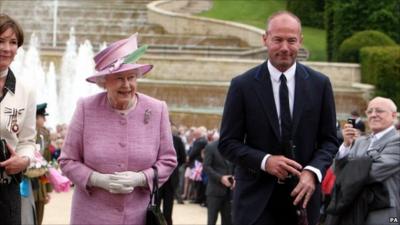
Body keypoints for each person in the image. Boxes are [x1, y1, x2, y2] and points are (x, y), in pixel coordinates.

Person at [218, 11, 338, 225]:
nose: (285, 48)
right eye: (278, 40)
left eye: (291, 40)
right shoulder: (242, 85)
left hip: (303, 200)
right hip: (255, 202)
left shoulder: (320, 85)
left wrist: (312, 172)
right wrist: (265, 161)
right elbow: (227, 143)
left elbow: (329, 140)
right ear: (265, 39)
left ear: (300, 41)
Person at [58, 33, 177, 225]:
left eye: (131, 77)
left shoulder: (157, 109)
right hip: (90, 216)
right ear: (104, 81)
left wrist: (140, 178)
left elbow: (169, 160)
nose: (127, 85)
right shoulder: (85, 108)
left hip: (138, 217)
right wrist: (97, 179)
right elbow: (67, 160)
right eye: (119, 78)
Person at [326, 97, 400, 225]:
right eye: (369, 111)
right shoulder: (360, 141)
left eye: (379, 111)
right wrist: (346, 146)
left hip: (384, 211)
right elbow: (336, 171)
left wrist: (352, 164)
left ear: (393, 115)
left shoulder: (396, 142)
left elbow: (372, 173)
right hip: (353, 208)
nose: (373, 115)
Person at [0, 13, 36, 225]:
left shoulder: (26, 91)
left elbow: (27, 141)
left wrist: (24, 160)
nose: (7, 48)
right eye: (1, 41)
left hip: (6, 190)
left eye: (13, 42)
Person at [157, 124, 186, 225]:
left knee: (168, 211)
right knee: (154, 208)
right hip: (157, 179)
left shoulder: (177, 140)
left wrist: (172, 167)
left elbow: (183, 158)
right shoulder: (156, 137)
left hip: (171, 180)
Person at [203, 139, 234, 225]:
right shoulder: (211, 147)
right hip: (214, 191)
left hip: (230, 191)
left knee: (228, 221)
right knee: (212, 221)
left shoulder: (233, 147)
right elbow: (206, 167)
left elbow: (236, 165)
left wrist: (235, 178)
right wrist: (220, 178)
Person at [33, 103, 53, 225]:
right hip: (24, 186)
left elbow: (47, 163)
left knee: (38, 220)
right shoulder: (22, 133)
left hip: (40, 186)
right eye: (42, 117)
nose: (45, 120)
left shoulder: (44, 135)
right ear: (34, 118)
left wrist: (47, 190)